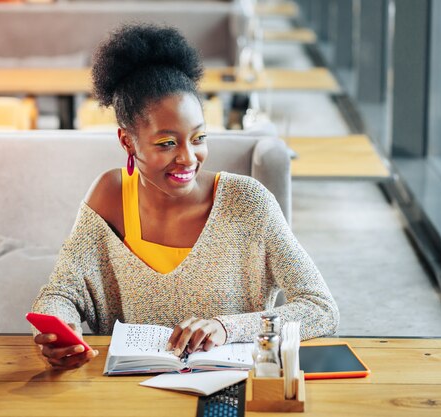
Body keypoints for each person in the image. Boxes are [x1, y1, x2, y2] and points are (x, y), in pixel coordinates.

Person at [32, 24, 339, 370]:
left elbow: (320, 309)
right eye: (167, 143)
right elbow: (61, 291)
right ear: (127, 142)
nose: (188, 158)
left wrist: (228, 327)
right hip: (128, 393)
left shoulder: (249, 202)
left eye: (198, 138)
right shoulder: (109, 195)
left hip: (229, 390)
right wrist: (61, 328)